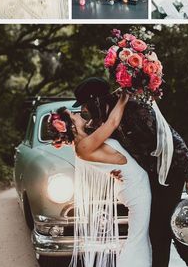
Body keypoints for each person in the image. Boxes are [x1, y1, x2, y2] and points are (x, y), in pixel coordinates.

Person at [73, 77, 188, 267]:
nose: (84, 110)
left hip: (168, 174)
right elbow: (99, 143)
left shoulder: (135, 109)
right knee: (165, 227)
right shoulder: (103, 119)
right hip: (149, 176)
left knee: (159, 232)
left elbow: (171, 137)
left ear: (96, 101)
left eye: (85, 104)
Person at [50, 93, 152, 267]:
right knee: (137, 240)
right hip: (137, 190)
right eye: (73, 115)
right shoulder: (83, 146)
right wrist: (124, 97)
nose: (77, 114)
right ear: (70, 126)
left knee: (141, 238)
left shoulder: (86, 140)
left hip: (132, 186)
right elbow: (112, 123)